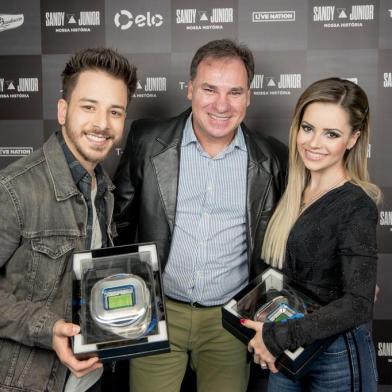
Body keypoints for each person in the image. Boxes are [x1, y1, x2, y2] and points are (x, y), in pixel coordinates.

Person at [113, 39, 287, 392]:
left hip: (229, 320)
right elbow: (117, 221)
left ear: (249, 96)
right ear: (190, 88)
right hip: (158, 313)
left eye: (235, 92)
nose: (221, 104)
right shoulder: (148, 141)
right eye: (209, 89)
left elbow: (290, 240)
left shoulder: (272, 158)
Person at [0, 48, 137, 392]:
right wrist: (47, 327)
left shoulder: (103, 188)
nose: (103, 124)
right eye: (88, 107)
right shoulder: (15, 189)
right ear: (63, 111)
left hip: (89, 379)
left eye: (115, 112)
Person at [242, 77, 381, 391]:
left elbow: (359, 303)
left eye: (331, 134)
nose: (314, 143)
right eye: (308, 128)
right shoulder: (292, 190)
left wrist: (278, 336)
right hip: (288, 352)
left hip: (337, 355)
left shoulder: (356, 205)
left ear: (353, 138)